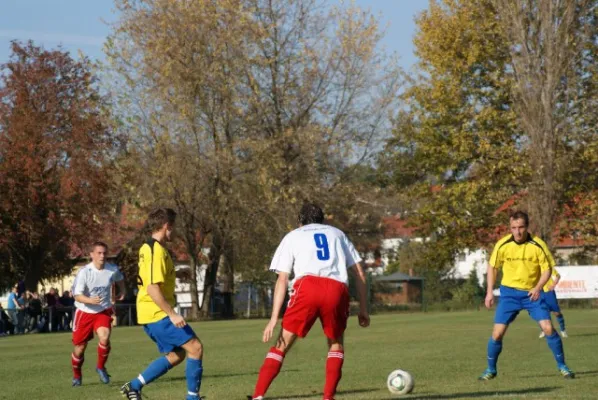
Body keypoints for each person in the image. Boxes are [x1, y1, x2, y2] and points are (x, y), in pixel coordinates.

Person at [247, 203, 370, 400]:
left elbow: (282, 279)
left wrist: (273, 319)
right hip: (336, 289)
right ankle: (328, 397)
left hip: (308, 287)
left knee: (282, 344)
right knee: (336, 343)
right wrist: (364, 309)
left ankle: (258, 396)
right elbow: (360, 273)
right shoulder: (337, 234)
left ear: (300, 221)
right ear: (323, 220)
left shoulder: (293, 236)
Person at [478, 211, 574, 380]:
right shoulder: (502, 245)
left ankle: (563, 366)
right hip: (509, 295)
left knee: (548, 328)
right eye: (514, 228)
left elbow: (547, 270)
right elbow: (492, 268)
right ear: (510, 228)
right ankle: (490, 370)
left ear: (527, 227)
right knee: (497, 334)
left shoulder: (538, 245)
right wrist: (489, 292)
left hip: (532, 294)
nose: (517, 231)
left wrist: (538, 287)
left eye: (521, 227)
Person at [120, 208, 204, 400]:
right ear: (167, 226)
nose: (174, 231)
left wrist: (178, 274)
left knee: (177, 354)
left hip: (152, 313)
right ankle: (193, 398)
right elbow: (151, 287)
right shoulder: (153, 250)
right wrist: (172, 314)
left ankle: (134, 386)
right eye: (173, 227)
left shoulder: (153, 249)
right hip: (157, 313)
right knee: (195, 347)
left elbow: (155, 279)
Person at [70, 241, 126, 387]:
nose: (102, 256)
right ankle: (77, 375)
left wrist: (123, 291)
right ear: (92, 255)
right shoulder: (84, 272)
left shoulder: (111, 269)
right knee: (80, 348)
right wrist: (90, 300)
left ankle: (100, 367)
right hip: (85, 312)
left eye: (104, 253)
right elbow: (77, 295)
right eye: (99, 253)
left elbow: (120, 279)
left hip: (103, 310)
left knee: (104, 337)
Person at [538, 266, 567, 338]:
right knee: (541, 313)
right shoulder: (533, 267)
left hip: (549, 293)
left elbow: (558, 276)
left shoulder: (547, 267)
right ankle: (544, 330)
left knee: (557, 313)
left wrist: (553, 284)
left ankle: (563, 330)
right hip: (539, 293)